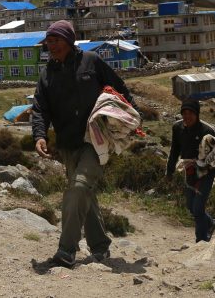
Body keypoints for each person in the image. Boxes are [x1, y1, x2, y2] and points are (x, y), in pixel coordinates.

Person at [31, 20, 136, 270]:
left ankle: (67, 250)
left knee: (78, 188)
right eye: (49, 41)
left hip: (95, 140)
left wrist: (131, 117)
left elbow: (119, 89)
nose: (51, 45)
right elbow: (39, 110)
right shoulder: (46, 75)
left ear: (68, 40)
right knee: (85, 193)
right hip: (68, 144)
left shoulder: (91, 61)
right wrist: (39, 136)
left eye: (55, 40)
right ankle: (100, 247)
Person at [165, 99, 215, 243]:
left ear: (197, 114)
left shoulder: (208, 130)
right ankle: (209, 222)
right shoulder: (177, 128)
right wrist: (169, 172)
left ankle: (201, 240)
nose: (187, 116)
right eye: (184, 113)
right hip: (188, 171)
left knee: (197, 207)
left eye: (191, 113)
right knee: (191, 207)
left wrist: (210, 166)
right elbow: (174, 150)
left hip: (206, 173)